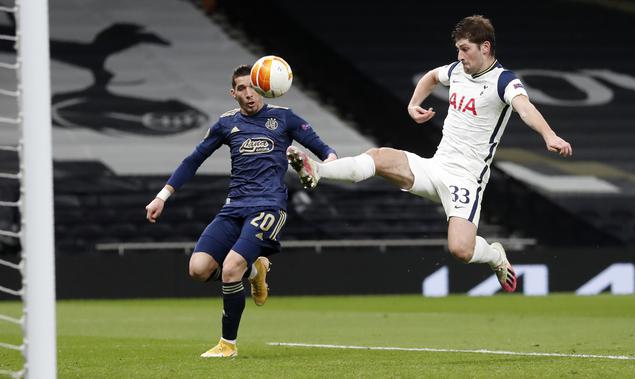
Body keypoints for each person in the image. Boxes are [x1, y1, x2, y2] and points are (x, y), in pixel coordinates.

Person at [287, 15, 572, 293]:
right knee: (380, 156)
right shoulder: (458, 71)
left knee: (461, 250)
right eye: (458, 49)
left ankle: (496, 256)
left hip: (466, 181)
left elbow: (524, 107)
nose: (460, 56)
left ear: (485, 47)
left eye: (465, 49)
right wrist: (413, 104)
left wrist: (549, 135)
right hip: (436, 166)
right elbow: (432, 76)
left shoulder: (503, 81)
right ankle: (317, 170)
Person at [145, 64, 337, 358]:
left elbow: (325, 150)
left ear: (263, 86)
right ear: (232, 93)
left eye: (254, 87)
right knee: (198, 270)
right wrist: (162, 196)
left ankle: (227, 345)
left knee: (231, 268)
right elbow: (192, 161)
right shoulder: (226, 124)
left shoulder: (284, 118)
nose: (249, 94)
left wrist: (322, 167)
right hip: (234, 207)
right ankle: (255, 268)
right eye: (242, 88)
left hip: (269, 206)